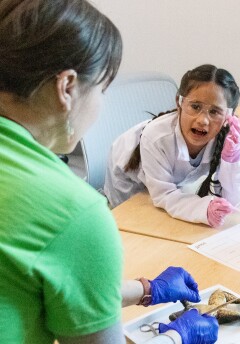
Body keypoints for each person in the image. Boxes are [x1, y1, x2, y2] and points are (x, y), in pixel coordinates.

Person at [0, 1, 217, 343]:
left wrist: (142, 290)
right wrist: (176, 338)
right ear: (67, 87)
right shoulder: (73, 213)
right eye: (102, 89)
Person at [104, 64, 240, 228]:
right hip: (128, 181)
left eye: (215, 112)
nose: (203, 120)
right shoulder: (156, 138)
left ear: (228, 116)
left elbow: (236, 200)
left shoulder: (230, 139)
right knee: (146, 229)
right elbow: (164, 195)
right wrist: (203, 209)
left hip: (169, 180)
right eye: (195, 106)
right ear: (179, 103)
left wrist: (232, 161)